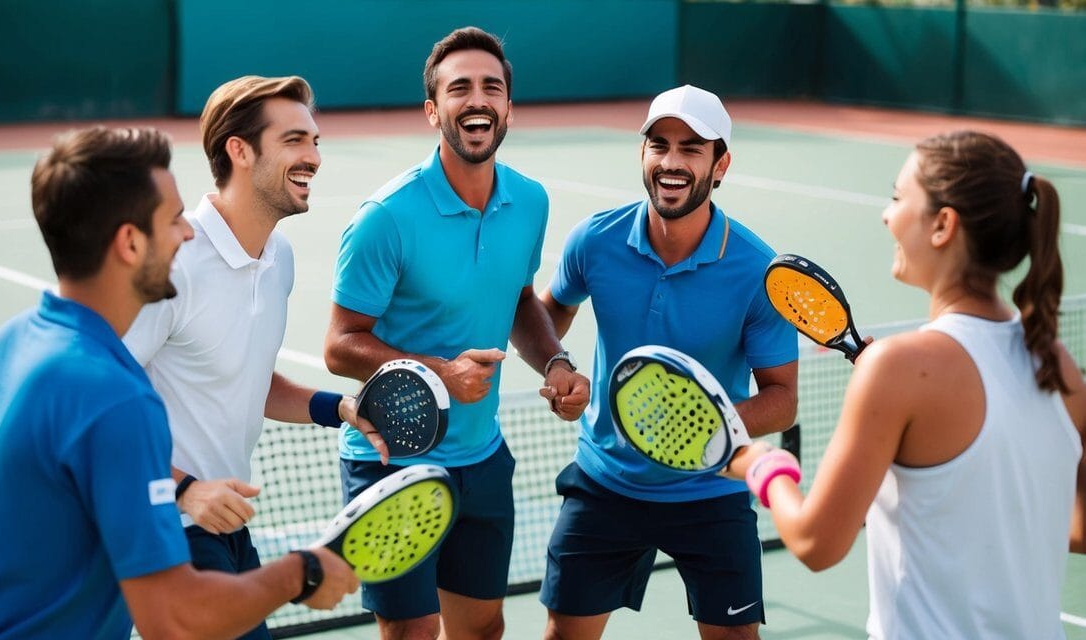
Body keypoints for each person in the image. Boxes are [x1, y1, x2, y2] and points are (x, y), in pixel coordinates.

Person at [0, 126, 359, 639]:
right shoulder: (117, 399)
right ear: (129, 242)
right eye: (172, 221)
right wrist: (300, 572)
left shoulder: (1, 348)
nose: (188, 234)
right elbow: (173, 619)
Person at [735, 130, 1086, 639]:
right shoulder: (1058, 364)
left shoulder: (897, 369)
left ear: (943, 224)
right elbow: (1077, 528)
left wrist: (760, 463)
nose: (886, 215)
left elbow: (815, 543)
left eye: (899, 198)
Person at [323, 26, 590, 640]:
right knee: (413, 633)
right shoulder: (385, 218)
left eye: (490, 87)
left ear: (508, 109)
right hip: (392, 464)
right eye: (459, 88)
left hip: (483, 460)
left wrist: (555, 363)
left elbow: (521, 298)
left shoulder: (530, 201)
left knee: (483, 629)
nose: (477, 100)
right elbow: (340, 345)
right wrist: (441, 373)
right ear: (432, 110)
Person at [121, 75, 386, 639]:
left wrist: (342, 407)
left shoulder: (277, 257)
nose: (314, 157)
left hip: (228, 523)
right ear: (239, 151)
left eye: (315, 141)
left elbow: (251, 381)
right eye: (294, 141)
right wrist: (185, 488)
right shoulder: (175, 261)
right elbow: (95, 409)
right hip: (164, 527)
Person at [535, 85, 800, 640]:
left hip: (712, 488)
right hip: (605, 481)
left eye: (692, 148)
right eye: (660, 145)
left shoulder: (758, 271)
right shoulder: (595, 240)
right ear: (643, 155)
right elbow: (548, 314)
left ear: (720, 164)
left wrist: (699, 428)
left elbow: (782, 400)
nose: (672, 162)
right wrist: (558, 368)